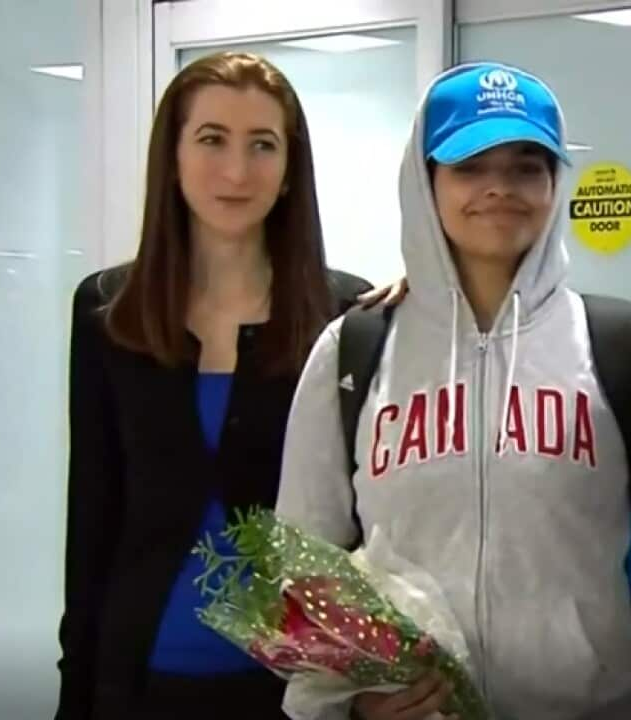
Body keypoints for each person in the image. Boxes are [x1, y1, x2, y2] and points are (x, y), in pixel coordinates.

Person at [274, 62, 631, 720]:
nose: (500, 189)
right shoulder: (353, 353)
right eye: (469, 166)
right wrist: (351, 703)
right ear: (424, 181)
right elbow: (302, 565)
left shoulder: (621, 346)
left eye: (526, 166)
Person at [56, 52, 372, 720]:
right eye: (211, 139)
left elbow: (369, 526)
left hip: (299, 692)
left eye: (262, 145)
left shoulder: (348, 318)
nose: (236, 171)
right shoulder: (108, 311)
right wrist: (75, 687)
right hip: (139, 679)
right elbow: (93, 513)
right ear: (171, 156)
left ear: (290, 171)